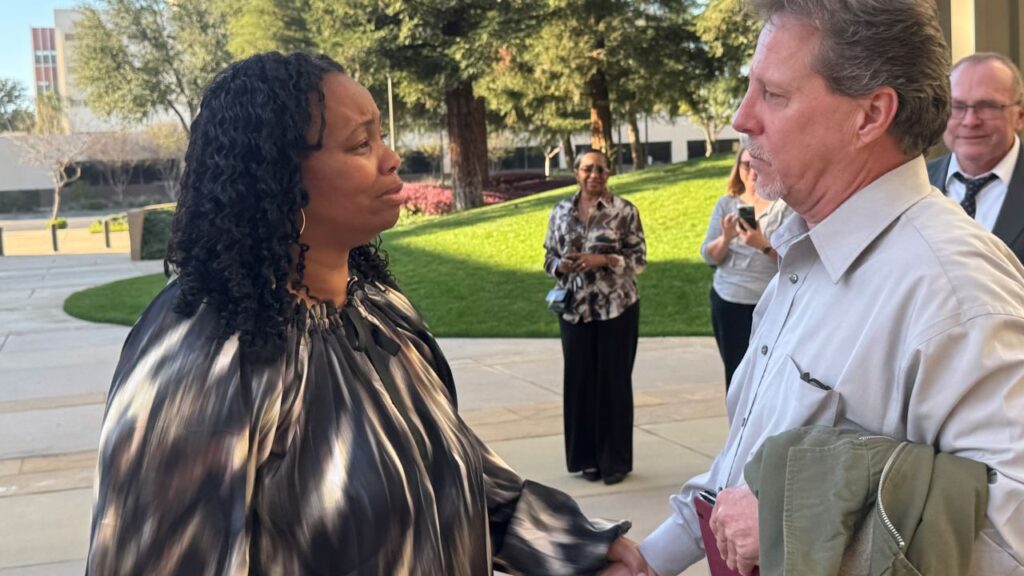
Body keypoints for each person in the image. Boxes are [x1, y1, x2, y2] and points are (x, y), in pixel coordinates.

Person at [85, 52, 653, 576]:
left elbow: (454, 470)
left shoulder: (379, 312)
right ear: (279, 177)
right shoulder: (204, 361)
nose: (392, 157)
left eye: (381, 135)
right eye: (361, 144)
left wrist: (574, 546)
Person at [634, 1, 1024, 575]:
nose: (742, 118)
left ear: (870, 115)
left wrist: (798, 513)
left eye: (773, 94)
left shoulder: (954, 288)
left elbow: (1012, 534)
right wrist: (652, 558)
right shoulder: (804, 250)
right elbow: (749, 454)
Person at [543, 150, 647, 486]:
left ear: (609, 173)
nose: (594, 174)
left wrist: (601, 260)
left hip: (616, 307)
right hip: (575, 310)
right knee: (580, 384)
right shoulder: (560, 211)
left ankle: (614, 462)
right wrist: (561, 265)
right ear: (576, 172)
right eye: (588, 168)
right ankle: (587, 459)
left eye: (601, 169)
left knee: (613, 384)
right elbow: (548, 256)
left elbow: (638, 260)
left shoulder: (624, 211)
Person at [700, 143, 791, 389]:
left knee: (768, 377)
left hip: (769, 302)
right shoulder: (726, 204)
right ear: (738, 168)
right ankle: (737, 428)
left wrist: (762, 244)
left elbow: (796, 259)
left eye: (757, 163)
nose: (752, 170)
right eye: (746, 164)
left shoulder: (783, 206)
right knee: (736, 374)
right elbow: (709, 256)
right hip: (728, 299)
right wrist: (726, 238)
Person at [927, 52, 1024, 263]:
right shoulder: (914, 184)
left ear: (1020, 115)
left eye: (987, 106)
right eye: (957, 106)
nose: (970, 121)